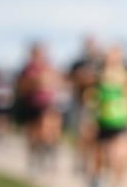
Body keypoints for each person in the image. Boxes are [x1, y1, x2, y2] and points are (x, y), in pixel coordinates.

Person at [90, 44, 127, 187]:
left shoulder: (126, 75)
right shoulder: (98, 75)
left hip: (121, 121)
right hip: (103, 120)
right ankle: (97, 178)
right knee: (104, 158)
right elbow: (91, 96)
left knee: (121, 158)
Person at [14, 42, 62, 172]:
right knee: (32, 133)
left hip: (47, 104)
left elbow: (58, 82)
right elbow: (21, 87)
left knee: (48, 129)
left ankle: (48, 150)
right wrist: (35, 83)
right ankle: (34, 157)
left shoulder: (49, 67)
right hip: (32, 104)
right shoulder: (27, 69)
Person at [67, 36, 102, 176]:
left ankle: (91, 165)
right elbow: (70, 80)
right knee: (82, 135)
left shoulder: (101, 63)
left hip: (98, 104)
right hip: (80, 103)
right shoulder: (78, 63)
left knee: (94, 136)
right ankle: (82, 161)